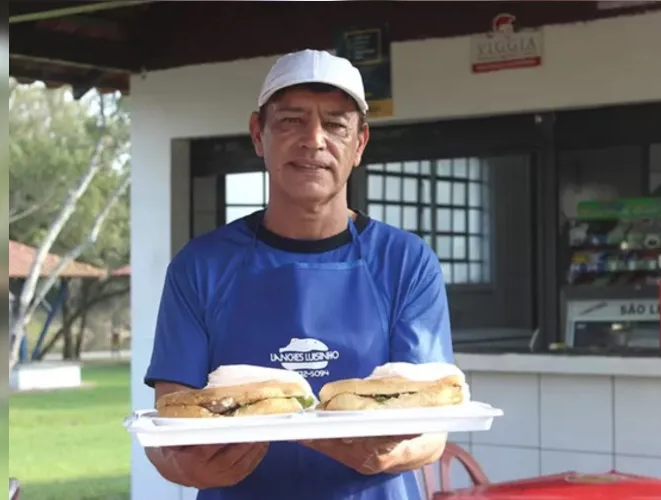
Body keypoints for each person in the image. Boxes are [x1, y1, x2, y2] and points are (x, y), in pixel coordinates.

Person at [143, 49, 455, 500]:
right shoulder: (201, 265)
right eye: (290, 121)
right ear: (258, 134)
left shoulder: (405, 261)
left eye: (335, 124)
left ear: (360, 144)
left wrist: (389, 457)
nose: (314, 140)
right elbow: (170, 417)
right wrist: (182, 466)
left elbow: (433, 426)